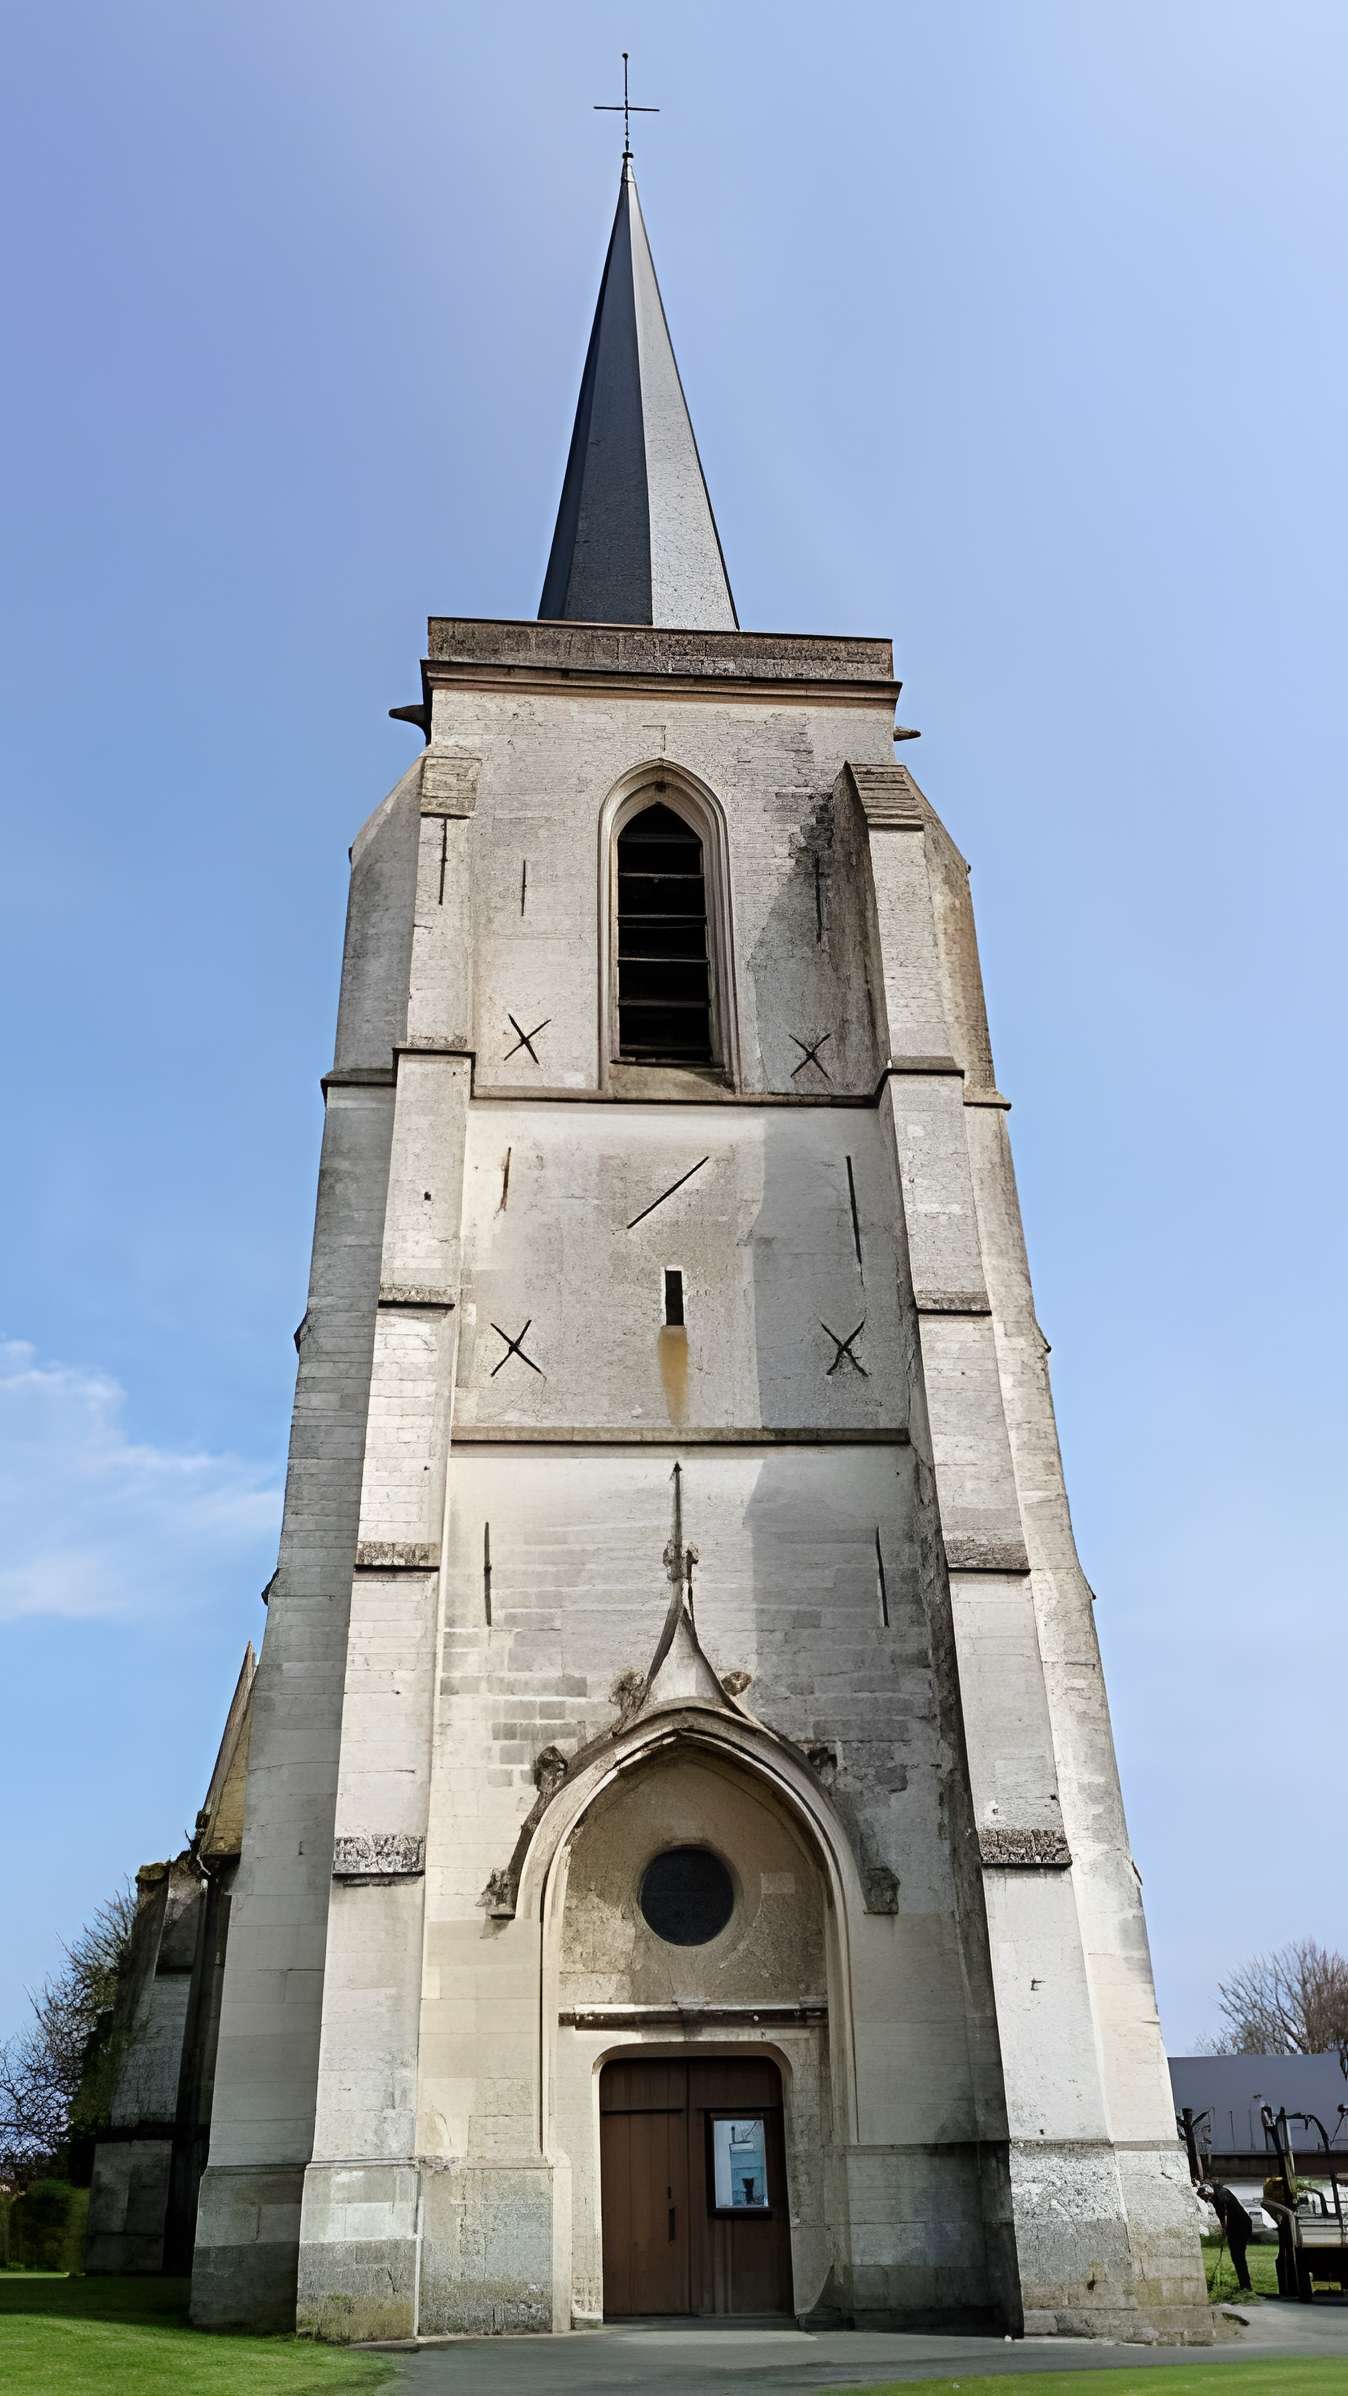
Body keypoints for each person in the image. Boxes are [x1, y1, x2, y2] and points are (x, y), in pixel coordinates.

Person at [1198, 2181, 1254, 2291]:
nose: (1206, 2200)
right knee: (1237, 2257)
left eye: (1205, 2198)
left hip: (1241, 2227)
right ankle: (1245, 2285)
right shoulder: (1216, 2195)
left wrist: (1225, 2229)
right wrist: (1224, 2229)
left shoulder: (1221, 2194)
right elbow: (1221, 2215)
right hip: (1235, 2227)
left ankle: (1246, 2286)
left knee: (1238, 2257)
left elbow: (1225, 2214)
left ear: (1208, 2192)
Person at [1262, 2166, 1302, 2299]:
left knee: (1288, 2252)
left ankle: (1291, 2288)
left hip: (1285, 2217)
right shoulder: (1271, 2186)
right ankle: (1289, 2288)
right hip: (1283, 2217)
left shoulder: (1276, 2185)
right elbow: (1268, 2202)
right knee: (1286, 2252)